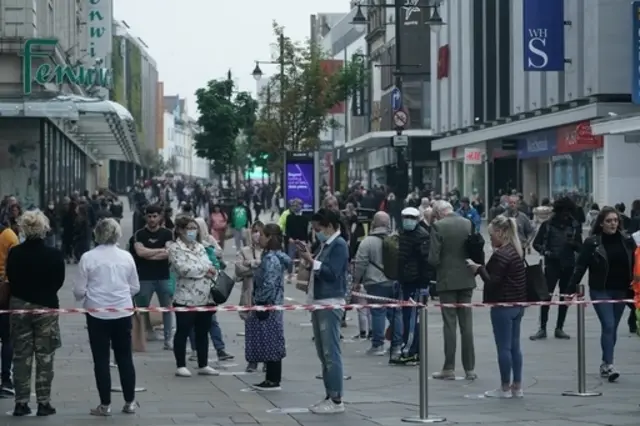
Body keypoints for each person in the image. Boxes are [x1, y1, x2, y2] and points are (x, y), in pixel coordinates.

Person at [73, 218, 140, 416]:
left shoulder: (88, 257)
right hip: (122, 311)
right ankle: (129, 401)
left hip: (97, 313)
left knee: (101, 359)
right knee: (125, 357)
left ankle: (105, 404)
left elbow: (78, 290)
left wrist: (85, 295)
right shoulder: (126, 257)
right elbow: (135, 286)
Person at [6, 211, 64, 416]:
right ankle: (43, 402)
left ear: (23, 228)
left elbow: (10, 277)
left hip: (20, 306)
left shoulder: (15, 253)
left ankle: (21, 402)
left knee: (21, 356)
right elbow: (59, 281)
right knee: (45, 356)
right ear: (44, 228)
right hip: (46, 307)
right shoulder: (54, 254)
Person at [568, 206, 635, 382]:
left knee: (612, 328)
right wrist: (570, 289)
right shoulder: (593, 243)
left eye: (615, 221)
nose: (613, 224)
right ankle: (608, 364)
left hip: (621, 290)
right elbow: (580, 266)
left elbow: (635, 263)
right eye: (609, 221)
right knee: (609, 324)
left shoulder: (627, 240)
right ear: (601, 223)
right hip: (601, 289)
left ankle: (606, 362)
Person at [467, 216, 526, 398]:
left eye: (492, 235)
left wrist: (478, 269)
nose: (490, 238)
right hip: (518, 303)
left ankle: (504, 387)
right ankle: (517, 386)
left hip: (503, 304)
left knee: (504, 347)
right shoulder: (516, 250)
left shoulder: (501, 255)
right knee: (515, 347)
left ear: (500, 233)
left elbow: (493, 282)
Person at [299, 208, 349, 414]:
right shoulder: (325, 244)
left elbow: (332, 273)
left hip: (330, 302)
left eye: (318, 228)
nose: (315, 232)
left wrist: (312, 262)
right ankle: (329, 394)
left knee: (331, 352)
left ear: (329, 226)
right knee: (323, 352)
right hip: (319, 301)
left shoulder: (339, 245)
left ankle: (336, 398)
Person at [429, 200, 477, 380]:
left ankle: (449, 367)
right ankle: (469, 368)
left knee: (449, 324)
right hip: (466, 277)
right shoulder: (467, 223)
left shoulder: (438, 227)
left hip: (447, 280)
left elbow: (433, 258)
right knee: (467, 325)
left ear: (439, 213)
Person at [168, 215, 220, 377]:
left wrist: (207, 269)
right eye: (189, 228)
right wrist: (204, 270)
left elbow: (209, 264)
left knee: (203, 330)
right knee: (183, 330)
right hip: (185, 297)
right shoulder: (175, 248)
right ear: (180, 230)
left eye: (194, 228)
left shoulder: (200, 247)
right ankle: (181, 364)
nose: (192, 231)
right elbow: (183, 269)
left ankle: (203, 363)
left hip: (205, 296)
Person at [530, 197, 582, 340]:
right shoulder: (547, 225)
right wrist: (545, 251)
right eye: (563, 211)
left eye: (568, 211)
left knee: (565, 297)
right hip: (552, 265)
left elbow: (580, 246)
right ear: (558, 211)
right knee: (546, 296)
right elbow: (536, 244)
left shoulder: (574, 226)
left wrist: (574, 244)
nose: (566, 215)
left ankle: (560, 327)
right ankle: (542, 328)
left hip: (569, 265)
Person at [245, 224, 290, 391]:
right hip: (274, 305)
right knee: (272, 341)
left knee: (270, 342)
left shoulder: (271, 259)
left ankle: (272, 379)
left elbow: (269, 284)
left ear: (270, 237)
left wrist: (260, 302)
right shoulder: (275, 256)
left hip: (268, 306)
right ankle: (271, 378)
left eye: (262, 234)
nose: (259, 237)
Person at [352, 211, 402, 357]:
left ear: (374, 223)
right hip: (394, 281)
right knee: (395, 313)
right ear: (388, 224)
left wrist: (356, 281)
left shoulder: (367, 242)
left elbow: (360, 263)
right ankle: (396, 345)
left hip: (375, 282)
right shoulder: (395, 239)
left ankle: (377, 344)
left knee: (378, 312)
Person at [392, 207, 433, 365]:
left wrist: (424, 284)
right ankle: (410, 348)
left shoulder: (421, 236)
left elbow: (426, 263)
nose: (407, 220)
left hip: (416, 283)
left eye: (411, 217)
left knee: (411, 319)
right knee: (408, 317)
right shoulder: (404, 233)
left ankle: (410, 351)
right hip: (406, 281)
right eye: (405, 217)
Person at [132, 204, 174, 348]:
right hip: (144, 277)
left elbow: (169, 253)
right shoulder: (139, 234)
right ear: (145, 217)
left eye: (155, 216)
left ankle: (168, 339)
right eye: (149, 216)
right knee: (142, 308)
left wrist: (148, 253)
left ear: (160, 217)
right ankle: (146, 333)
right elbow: (140, 253)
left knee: (166, 308)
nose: (152, 219)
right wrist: (159, 251)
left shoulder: (167, 233)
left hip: (163, 276)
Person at [235, 221, 264, 372]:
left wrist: (251, 265)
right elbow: (239, 270)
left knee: (266, 330)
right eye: (254, 231)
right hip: (249, 294)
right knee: (251, 329)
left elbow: (269, 269)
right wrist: (254, 264)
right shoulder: (244, 250)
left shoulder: (269, 251)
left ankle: (267, 360)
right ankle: (252, 360)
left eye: (259, 231)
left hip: (266, 296)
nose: (256, 235)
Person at [0, 215, 19, 397]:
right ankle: (5, 379)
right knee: (6, 337)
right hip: (4, 291)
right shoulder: (9, 236)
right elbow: (15, 265)